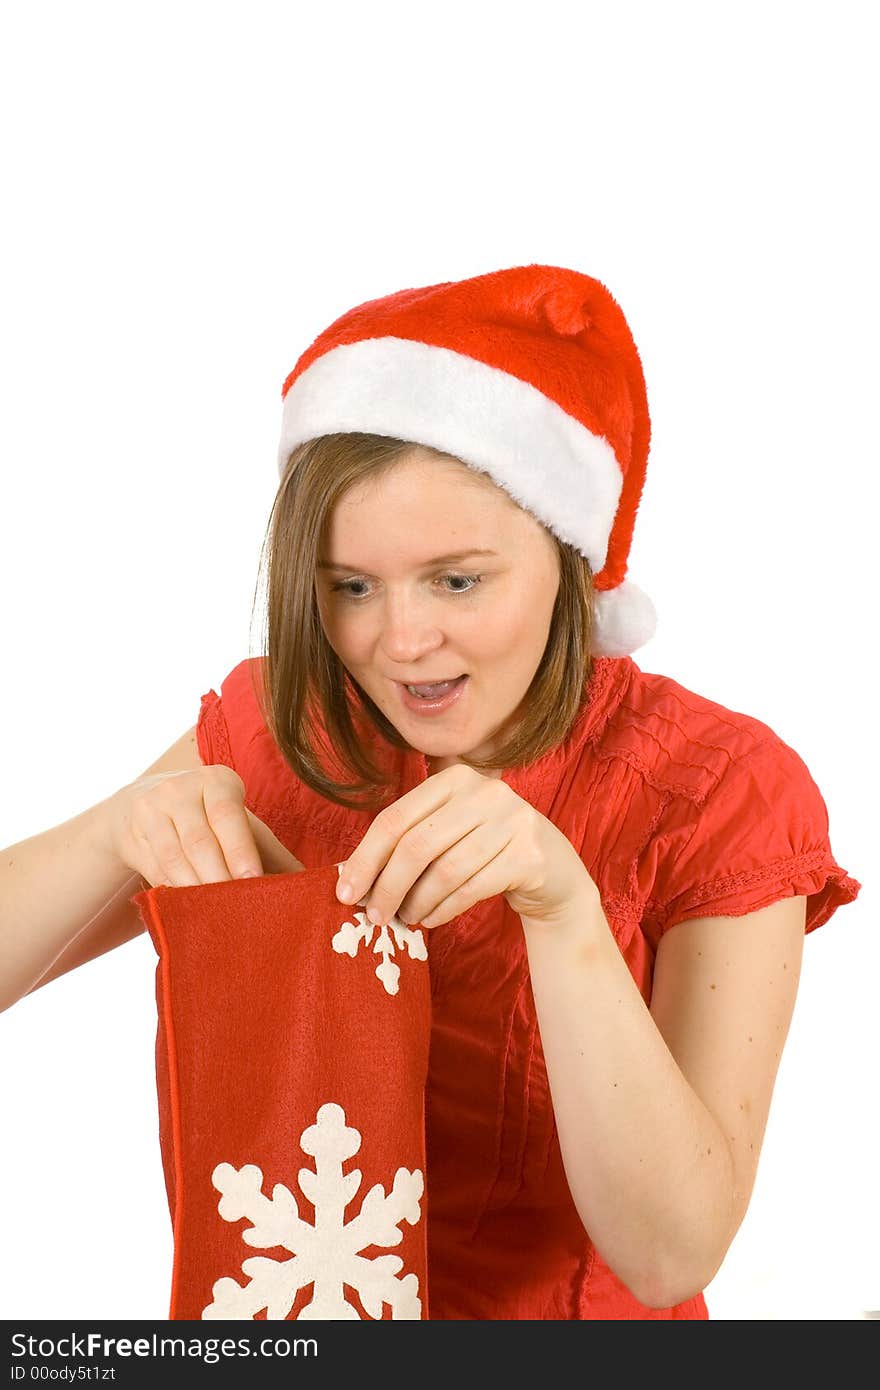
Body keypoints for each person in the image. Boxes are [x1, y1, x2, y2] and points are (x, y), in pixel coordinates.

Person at [0, 263, 862, 1320]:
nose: (401, 643)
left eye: (457, 580)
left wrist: (563, 908)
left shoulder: (718, 789)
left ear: (569, 559)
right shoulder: (285, 727)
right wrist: (115, 831)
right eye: (349, 587)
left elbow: (669, 1255)